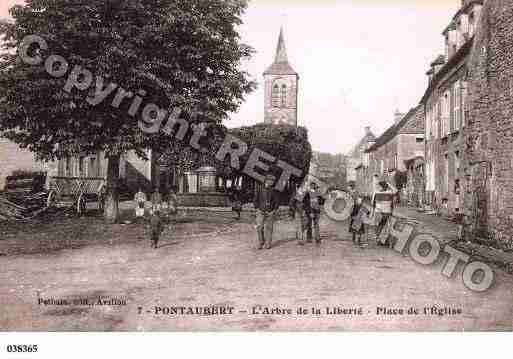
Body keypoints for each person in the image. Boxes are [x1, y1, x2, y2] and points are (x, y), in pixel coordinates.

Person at [253, 174, 280, 250]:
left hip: (270, 211)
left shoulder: (274, 190)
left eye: (273, 181)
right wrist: (257, 208)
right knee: (259, 227)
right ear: (266, 180)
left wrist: (274, 210)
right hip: (260, 211)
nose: (272, 182)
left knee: (269, 228)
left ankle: (268, 243)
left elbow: (277, 201)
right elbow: (255, 199)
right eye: (271, 180)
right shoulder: (260, 189)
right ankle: (261, 242)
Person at [372, 178, 398, 247]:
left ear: (381, 186)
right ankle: (384, 241)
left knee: (379, 227)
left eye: (379, 186)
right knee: (386, 227)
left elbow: (373, 203)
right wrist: (388, 184)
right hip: (386, 212)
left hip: (379, 212)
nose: (379, 187)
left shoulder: (376, 192)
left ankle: (379, 240)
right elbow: (396, 191)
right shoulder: (389, 192)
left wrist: (373, 212)